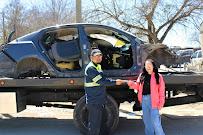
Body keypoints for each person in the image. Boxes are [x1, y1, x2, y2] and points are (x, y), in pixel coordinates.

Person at [84, 48, 123, 135]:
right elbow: (101, 81)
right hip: (94, 101)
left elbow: (103, 78)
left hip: (99, 100)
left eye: (100, 55)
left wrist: (114, 81)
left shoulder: (97, 66)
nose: (99, 57)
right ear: (91, 57)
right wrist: (115, 82)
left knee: (102, 123)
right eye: (96, 56)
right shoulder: (91, 68)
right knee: (94, 125)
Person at [128, 59, 165, 135]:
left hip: (154, 101)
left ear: (153, 66)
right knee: (147, 121)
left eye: (149, 65)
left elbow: (162, 91)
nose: (148, 67)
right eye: (146, 65)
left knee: (156, 122)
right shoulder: (142, 75)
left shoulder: (158, 76)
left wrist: (161, 103)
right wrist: (131, 83)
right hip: (144, 100)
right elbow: (137, 86)